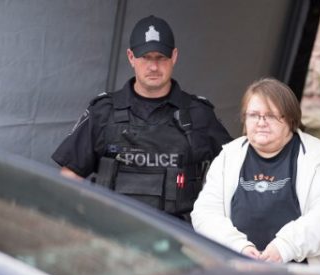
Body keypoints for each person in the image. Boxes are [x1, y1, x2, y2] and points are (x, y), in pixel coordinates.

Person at [52, 15, 232, 220]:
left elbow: (235, 173)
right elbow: (70, 176)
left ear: (174, 56)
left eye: (161, 57)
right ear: (131, 57)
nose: (153, 67)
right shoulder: (103, 112)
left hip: (178, 240)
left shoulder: (199, 115)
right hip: (112, 234)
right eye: (145, 57)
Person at [191, 78, 320, 272]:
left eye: (271, 116)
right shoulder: (228, 156)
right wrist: (239, 247)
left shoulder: (316, 156)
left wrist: (284, 247)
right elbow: (205, 214)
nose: (261, 123)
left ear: (290, 118)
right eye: (254, 115)